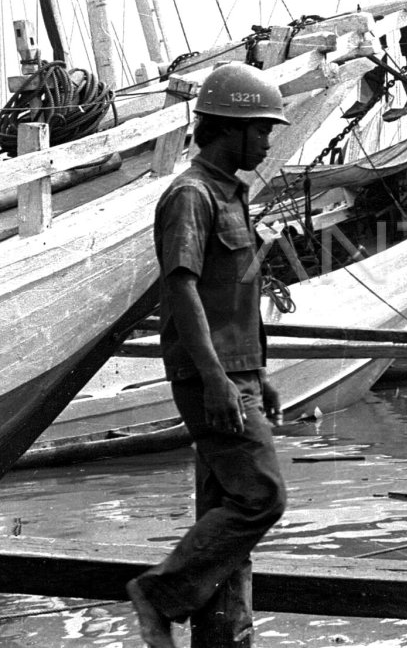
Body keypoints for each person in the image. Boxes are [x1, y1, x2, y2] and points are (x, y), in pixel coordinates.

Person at [126, 63, 290, 648]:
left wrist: (256, 371)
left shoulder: (228, 194)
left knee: (225, 507)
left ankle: (222, 634)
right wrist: (219, 379)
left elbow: (232, 294)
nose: (268, 142)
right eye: (263, 130)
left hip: (235, 370)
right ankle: (160, 595)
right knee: (262, 496)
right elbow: (182, 289)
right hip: (212, 376)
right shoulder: (191, 196)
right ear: (231, 129)